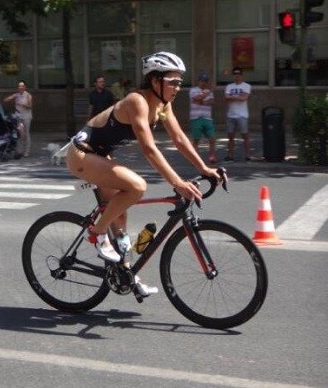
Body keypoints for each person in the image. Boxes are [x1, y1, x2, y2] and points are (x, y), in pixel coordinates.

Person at [66, 52, 222, 297]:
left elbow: (179, 138)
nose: (178, 87)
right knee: (137, 186)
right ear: (155, 80)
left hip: (101, 155)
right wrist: (177, 182)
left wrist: (204, 168)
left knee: (120, 220)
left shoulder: (162, 105)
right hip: (82, 155)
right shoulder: (137, 101)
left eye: (180, 82)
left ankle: (126, 275)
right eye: (173, 81)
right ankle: (96, 234)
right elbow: (149, 149)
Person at [224, 67, 252, 161]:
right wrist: (238, 96)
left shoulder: (246, 86)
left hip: (242, 115)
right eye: (235, 74)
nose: (237, 76)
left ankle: (247, 155)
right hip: (231, 115)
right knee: (230, 136)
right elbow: (226, 97)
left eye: (238, 74)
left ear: (241, 75)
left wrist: (232, 97)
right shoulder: (229, 86)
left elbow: (244, 98)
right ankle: (230, 155)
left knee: (245, 136)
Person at [189, 73, 217, 163]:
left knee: (212, 138)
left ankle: (212, 157)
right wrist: (207, 93)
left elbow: (212, 102)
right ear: (198, 81)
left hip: (207, 118)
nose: (203, 83)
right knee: (196, 139)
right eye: (201, 81)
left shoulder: (209, 92)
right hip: (196, 118)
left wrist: (201, 101)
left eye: (205, 81)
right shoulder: (193, 90)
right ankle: (196, 159)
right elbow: (196, 98)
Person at [3, 80, 33, 157]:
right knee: (20, 134)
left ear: (25, 87)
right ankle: (20, 151)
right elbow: (6, 100)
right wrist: (10, 98)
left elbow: (30, 106)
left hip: (26, 117)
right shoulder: (17, 95)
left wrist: (22, 104)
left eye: (22, 86)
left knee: (26, 133)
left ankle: (27, 151)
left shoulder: (28, 95)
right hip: (19, 117)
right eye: (19, 86)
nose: (21, 87)